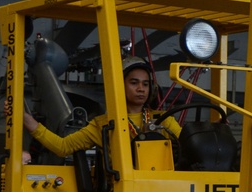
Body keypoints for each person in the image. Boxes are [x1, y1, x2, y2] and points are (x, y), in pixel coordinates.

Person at [22, 57, 181, 157]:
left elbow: (191, 144)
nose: (141, 88)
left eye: (145, 84)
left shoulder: (164, 120)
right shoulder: (103, 124)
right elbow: (63, 147)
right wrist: (27, 120)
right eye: (134, 83)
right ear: (119, 86)